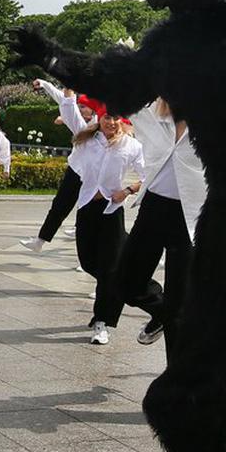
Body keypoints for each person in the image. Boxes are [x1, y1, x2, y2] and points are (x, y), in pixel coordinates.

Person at [119, 99, 204, 357]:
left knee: (179, 306)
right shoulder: (152, 113)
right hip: (153, 209)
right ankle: (161, 312)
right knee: (126, 283)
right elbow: (114, 84)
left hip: (190, 216)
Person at [71, 112, 145, 345]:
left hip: (112, 210)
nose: (111, 123)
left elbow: (148, 174)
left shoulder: (131, 145)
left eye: (115, 118)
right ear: (100, 119)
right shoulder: (87, 141)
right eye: (106, 118)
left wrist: (128, 190)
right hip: (86, 207)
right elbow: (74, 167)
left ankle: (102, 322)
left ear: (122, 120)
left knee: (109, 270)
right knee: (88, 262)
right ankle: (117, 285)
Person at [20, 83, 102, 252]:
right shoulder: (80, 125)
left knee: (89, 215)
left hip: (94, 177)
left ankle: (87, 254)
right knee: (59, 206)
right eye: (79, 105)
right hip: (75, 171)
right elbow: (64, 100)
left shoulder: (104, 127)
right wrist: (46, 84)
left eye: (83, 106)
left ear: (93, 110)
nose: (80, 109)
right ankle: (40, 241)